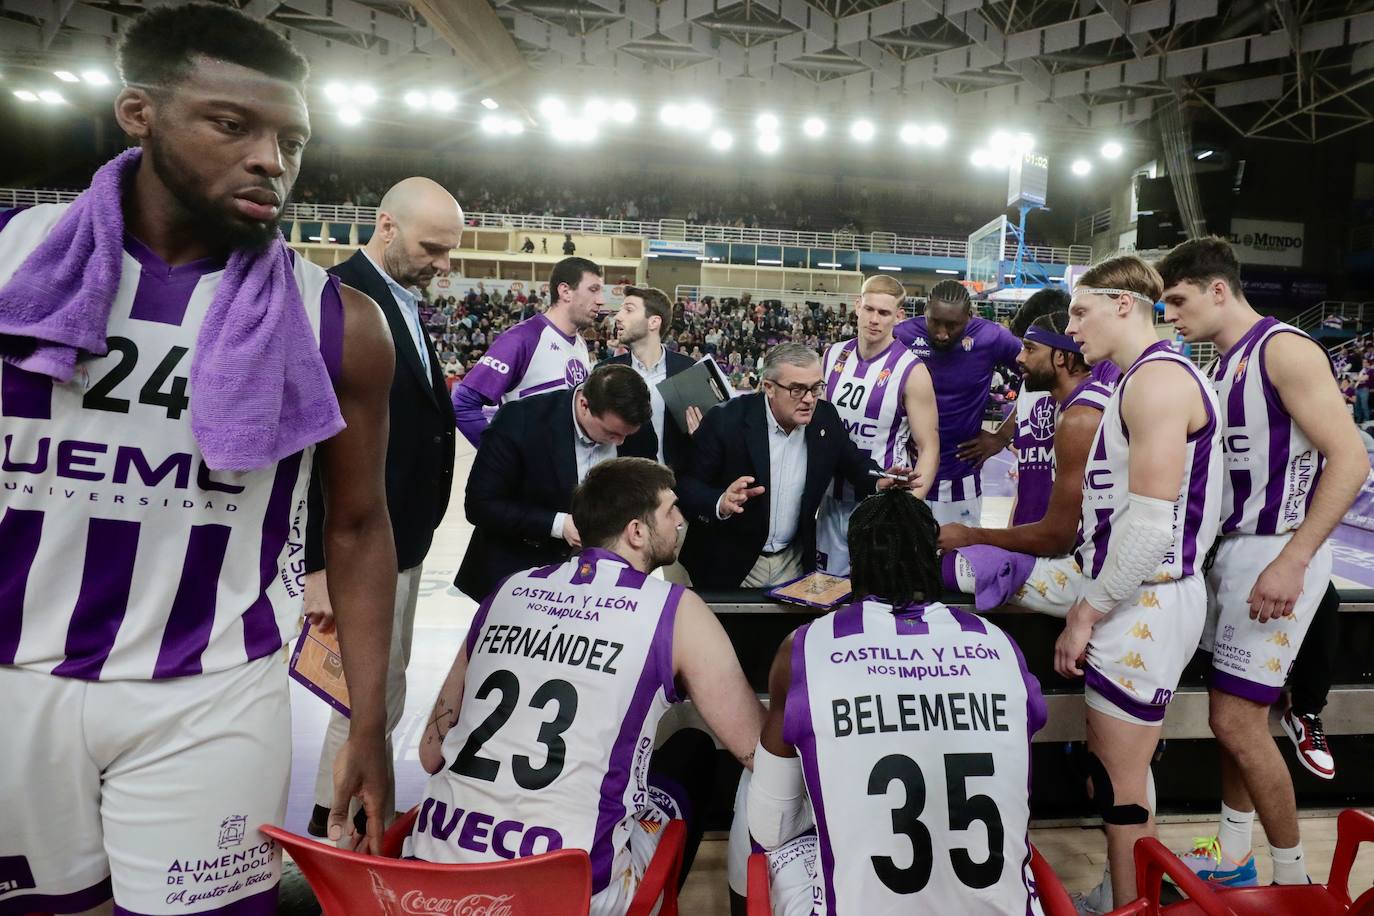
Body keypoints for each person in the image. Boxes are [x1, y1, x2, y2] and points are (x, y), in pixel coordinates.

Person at [0, 7, 396, 912]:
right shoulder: (11, 259)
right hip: (10, 677)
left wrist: (365, 718)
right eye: (232, 125)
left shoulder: (338, 320)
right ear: (138, 114)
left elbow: (360, 523)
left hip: (213, 691)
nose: (271, 160)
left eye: (290, 140)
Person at [411, 458, 765, 916]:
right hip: (568, 890)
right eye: (671, 510)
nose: (681, 520)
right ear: (637, 532)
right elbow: (756, 748)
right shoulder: (674, 608)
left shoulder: (509, 589)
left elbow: (429, 753)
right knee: (693, 752)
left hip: (436, 870)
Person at [1157, 238, 1366, 887]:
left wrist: (1294, 559)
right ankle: (1233, 853)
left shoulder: (1284, 350)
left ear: (1218, 291)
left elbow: (1352, 460)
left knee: (1236, 721)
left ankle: (1294, 879)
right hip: (1236, 556)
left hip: (1277, 553)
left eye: (1178, 301)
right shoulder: (1223, 368)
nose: (1171, 316)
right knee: (1232, 718)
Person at [747, 490, 1047, 915]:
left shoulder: (804, 646)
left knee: (767, 800)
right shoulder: (997, 642)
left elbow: (771, 827)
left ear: (855, 565)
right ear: (932, 555)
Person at [1056, 255, 1222, 908]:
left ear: (1123, 304)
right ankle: (1135, 890)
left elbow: (1151, 530)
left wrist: (1085, 614)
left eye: (1079, 310)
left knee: (1118, 787)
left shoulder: (1155, 383)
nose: (1072, 328)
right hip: (1140, 596)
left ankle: (1132, 905)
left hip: (1146, 599)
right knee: (1124, 781)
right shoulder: (1143, 378)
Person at [303, 178, 464, 837]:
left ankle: (342, 817)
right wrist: (319, 563)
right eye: (433, 248)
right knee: (361, 695)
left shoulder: (400, 299)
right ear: (386, 226)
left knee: (383, 692)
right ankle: (333, 827)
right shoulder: (338, 297)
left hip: (401, 538)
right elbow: (313, 441)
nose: (445, 265)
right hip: (358, 543)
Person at [676, 343, 916, 589]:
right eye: (797, 390)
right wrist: (720, 502)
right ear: (769, 387)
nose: (809, 399)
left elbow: (853, 461)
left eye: (816, 388)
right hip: (728, 561)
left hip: (793, 562)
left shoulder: (825, 417)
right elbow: (686, 486)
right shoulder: (726, 419)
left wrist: (879, 480)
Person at [938, 311, 1117, 616]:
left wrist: (973, 535)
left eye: (1030, 349)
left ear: (1061, 357)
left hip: (1090, 568)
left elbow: (1058, 537)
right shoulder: (1077, 404)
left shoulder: (1082, 416)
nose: (1019, 358)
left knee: (951, 567)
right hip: (1081, 557)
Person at [455, 363, 655, 602]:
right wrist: (559, 525)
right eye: (611, 433)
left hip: (598, 585)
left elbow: (645, 490)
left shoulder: (631, 424)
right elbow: (481, 505)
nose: (620, 442)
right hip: (521, 575)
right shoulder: (520, 420)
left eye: (627, 435)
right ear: (584, 405)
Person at [815, 274, 939, 575]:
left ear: (899, 316)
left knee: (877, 597)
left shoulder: (911, 370)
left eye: (884, 313)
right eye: (869, 309)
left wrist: (907, 509)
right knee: (825, 593)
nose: (874, 319)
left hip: (881, 504)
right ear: (857, 306)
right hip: (831, 502)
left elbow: (929, 447)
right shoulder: (831, 356)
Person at [894, 280, 1023, 526]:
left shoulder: (991, 337)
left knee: (959, 561)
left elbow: (1043, 376)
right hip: (904, 476)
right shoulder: (902, 335)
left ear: (970, 317)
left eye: (953, 325)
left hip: (961, 480)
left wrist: (1002, 435)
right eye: (935, 322)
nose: (942, 333)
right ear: (925, 312)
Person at [452, 256, 601, 446]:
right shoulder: (522, 338)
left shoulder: (579, 342)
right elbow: (462, 404)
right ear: (565, 292)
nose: (601, 301)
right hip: (531, 472)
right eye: (593, 290)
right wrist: (501, 457)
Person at [602, 285, 696, 469]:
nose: (618, 317)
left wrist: (701, 434)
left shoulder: (689, 370)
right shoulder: (606, 372)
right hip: (623, 486)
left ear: (654, 322)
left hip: (678, 488)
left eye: (628, 309)